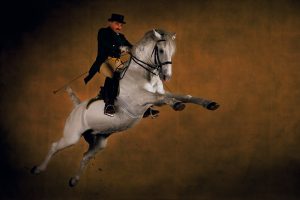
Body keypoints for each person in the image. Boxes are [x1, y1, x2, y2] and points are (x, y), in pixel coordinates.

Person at [84, 13, 159, 118]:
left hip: (115, 61)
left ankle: (141, 106)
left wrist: (139, 50)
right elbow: (106, 44)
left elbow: (131, 47)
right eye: (116, 24)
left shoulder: (121, 37)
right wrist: (119, 48)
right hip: (103, 61)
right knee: (113, 75)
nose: (119, 26)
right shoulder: (103, 32)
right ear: (110, 23)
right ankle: (109, 104)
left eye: (121, 25)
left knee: (130, 76)